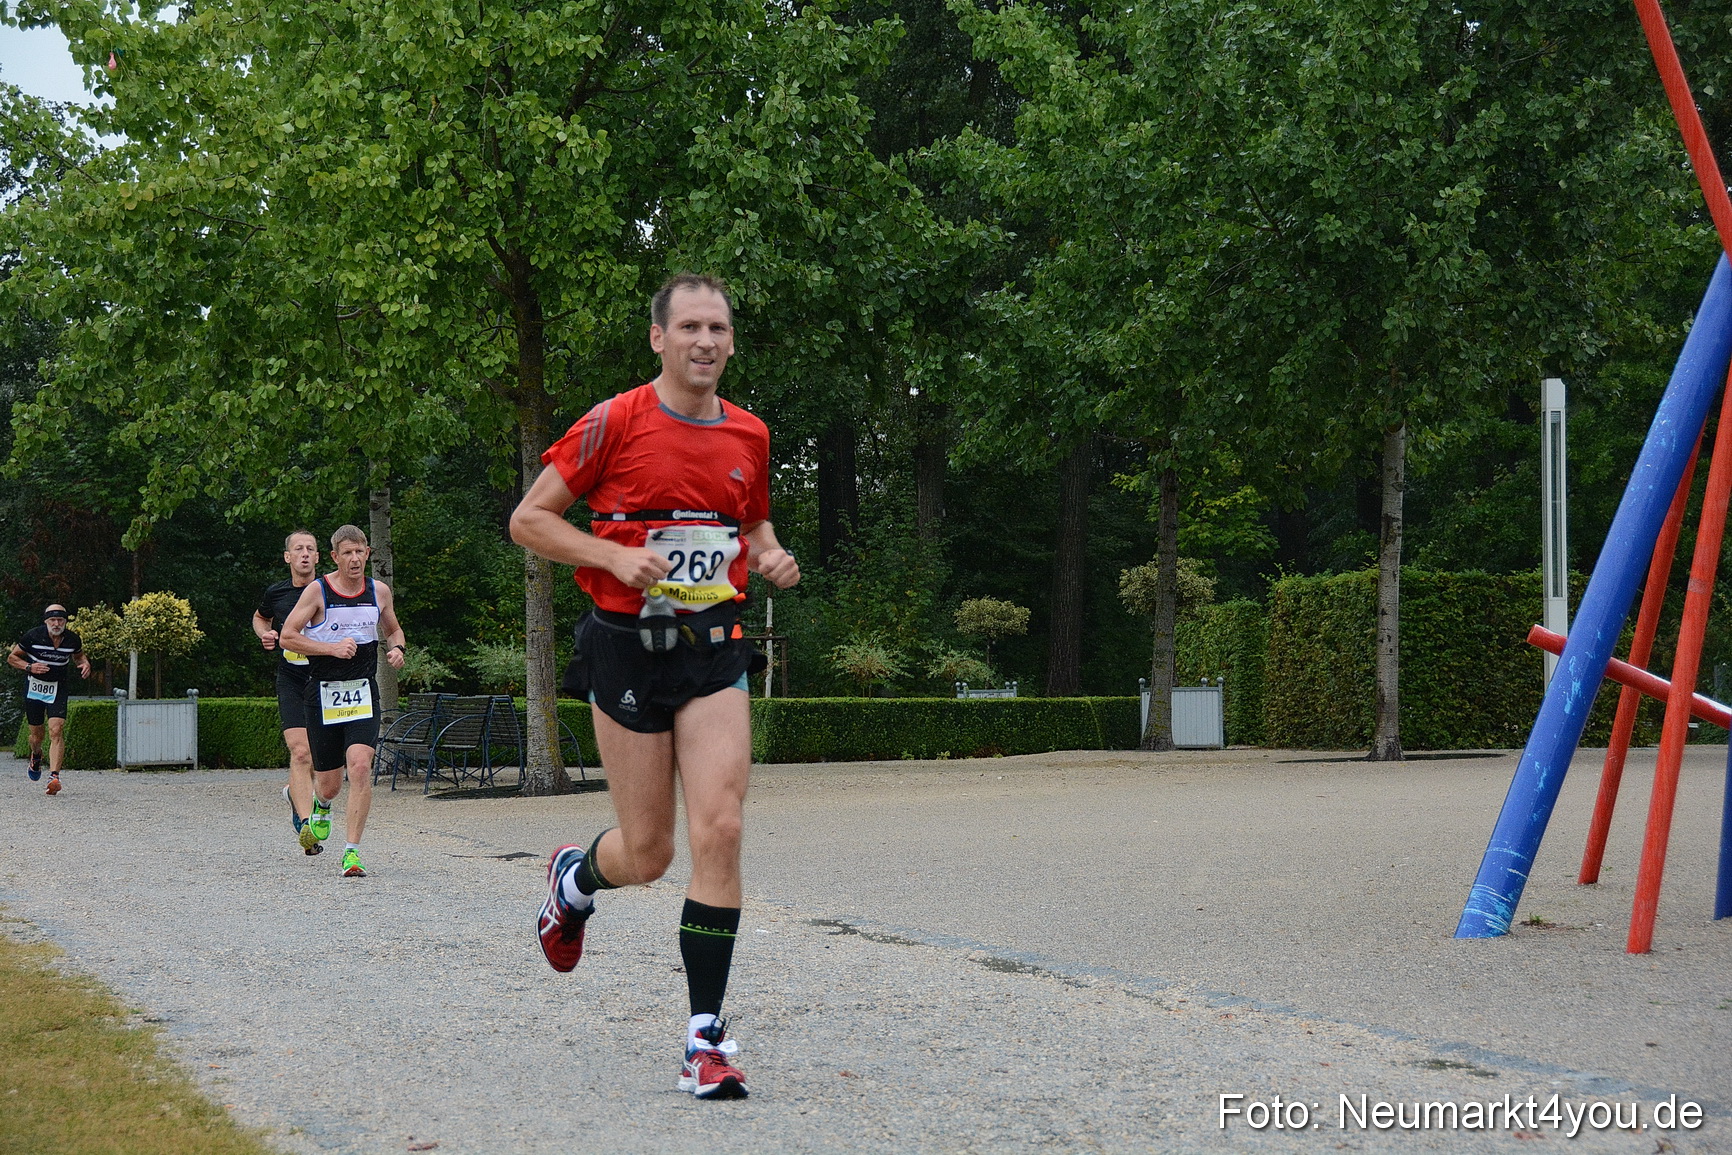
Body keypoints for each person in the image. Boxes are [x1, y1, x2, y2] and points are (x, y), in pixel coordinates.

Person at [510, 273, 800, 1101]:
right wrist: (611, 557)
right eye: (690, 328)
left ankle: (704, 1040)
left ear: (732, 341)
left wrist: (769, 554)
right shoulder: (616, 421)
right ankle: (574, 880)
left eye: (719, 328)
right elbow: (529, 518)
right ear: (658, 339)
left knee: (722, 825)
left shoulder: (750, 434)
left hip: (714, 649)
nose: (705, 341)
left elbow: (749, 523)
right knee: (648, 852)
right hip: (626, 649)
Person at [279, 526, 406, 878]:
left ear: (368, 553)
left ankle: (352, 852)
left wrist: (397, 648)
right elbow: (288, 637)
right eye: (347, 553)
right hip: (321, 695)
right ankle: (320, 805)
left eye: (360, 552)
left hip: (363, 692)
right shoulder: (317, 591)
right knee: (330, 783)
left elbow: (394, 629)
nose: (354, 559)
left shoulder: (378, 591)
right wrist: (331, 648)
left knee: (361, 765)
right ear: (335, 556)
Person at [253, 529, 323, 854]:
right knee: (300, 752)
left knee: (322, 761)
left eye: (311, 549)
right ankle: (306, 826)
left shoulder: (330, 591)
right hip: (292, 679)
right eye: (299, 549)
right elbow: (260, 617)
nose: (305, 553)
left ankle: (294, 794)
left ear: (319, 557)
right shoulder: (276, 592)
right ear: (288, 557)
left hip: (325, 680)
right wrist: (265, 635)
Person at [8, 605, 91, 795]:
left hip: (58, 687)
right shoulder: (32, 636)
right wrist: (29, 667)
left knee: (56, 729)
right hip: (35, 688)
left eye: (60, 620)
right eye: (52, 620)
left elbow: (78, 657)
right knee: (37, 736)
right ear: (46, 621)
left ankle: (54, 777)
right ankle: (36, 755)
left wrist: (85, 664)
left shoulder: (72, 639)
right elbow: (12, 658)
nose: (56, 624)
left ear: (65, 622)